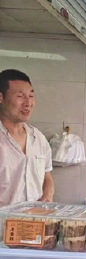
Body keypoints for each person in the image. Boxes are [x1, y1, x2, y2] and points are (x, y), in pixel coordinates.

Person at [0, 69, 54, 207]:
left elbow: (47, 176)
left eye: (30, 96)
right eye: (20, 96)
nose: (28, 103)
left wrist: (47, 195)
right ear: (1, 98)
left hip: (34, 224)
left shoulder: (38, 138)